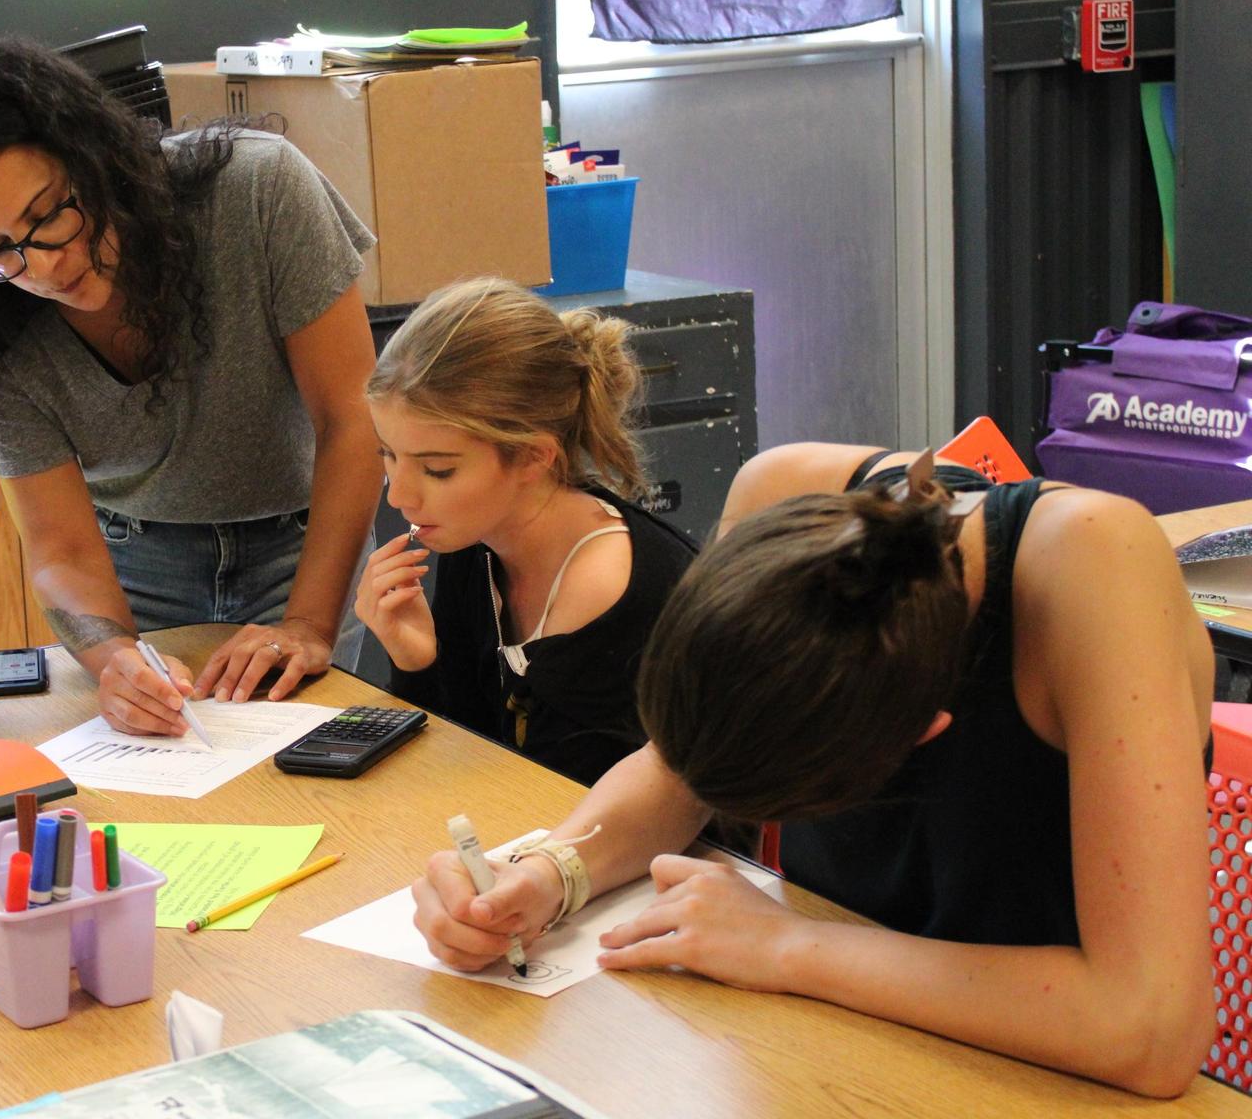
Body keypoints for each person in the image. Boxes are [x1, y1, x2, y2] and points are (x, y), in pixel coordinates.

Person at [409, 443, 1215, 1096]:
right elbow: (680, 769)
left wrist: (790, 949)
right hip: (825, 1045)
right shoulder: (781, 492)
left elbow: (1148, 1028)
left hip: (1034, 1077)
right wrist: (553, 871)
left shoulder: (1095, 563)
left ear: (924, 734)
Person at [0, 38, 382, 736]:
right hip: (134, 563)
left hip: (308, 544)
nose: (44, 267)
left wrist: (309, 625)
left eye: (50, 215)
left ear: (99, 159)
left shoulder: (258, 190)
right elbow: (61, 548)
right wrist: (115, 661)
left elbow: (351, 418)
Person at [355, 278, 697, 784]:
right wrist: (417, 662)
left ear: (535, 456)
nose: (398, 495)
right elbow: (462, 758)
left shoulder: (608, 587)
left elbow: (563, 801)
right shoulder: (477, 541)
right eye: (388, 454)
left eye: (438, 470)